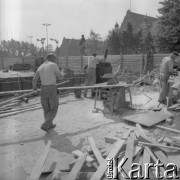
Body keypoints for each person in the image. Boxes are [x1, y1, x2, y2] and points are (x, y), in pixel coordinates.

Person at [32, 53, 64, 132]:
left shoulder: (41, 66)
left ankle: (50, 124)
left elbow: (34, 79)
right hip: (51, 88)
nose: (56, 60)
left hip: (43, 88)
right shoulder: (53, 65)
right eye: (55, 59)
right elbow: (61, 78)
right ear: (53, 59)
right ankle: (46, 124)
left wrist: (34, 87)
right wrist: (62, 72)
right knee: (54, 108)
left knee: (46, 109)